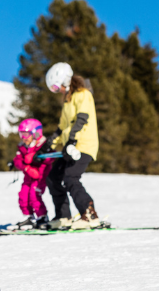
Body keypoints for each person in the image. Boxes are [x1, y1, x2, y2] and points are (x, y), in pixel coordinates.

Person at [44, 62, 100, 230]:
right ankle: (63, 216)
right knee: (53, 176)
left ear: (65, 80)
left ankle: (89, 214)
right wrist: (49, 144)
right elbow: (62, 128)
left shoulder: (83, 95)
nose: (57, 90)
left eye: (56, 87)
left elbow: (82, 119)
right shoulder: (68, 101)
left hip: (84, 145)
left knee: (70, 177)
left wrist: (72, 141)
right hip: (70, 146)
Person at [10, 119, 54, 230]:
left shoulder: (43, 146)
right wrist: (26, 167)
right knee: (23, 196)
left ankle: (42, 218)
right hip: (28, 177)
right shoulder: (23, 147)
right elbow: (17, 160)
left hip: (40, 178)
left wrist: (36, 161)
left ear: (35, 133)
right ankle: (29, 218)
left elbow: (50, 158)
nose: (23, 138)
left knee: (34, 196)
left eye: (25, 134)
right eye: (21, 134)